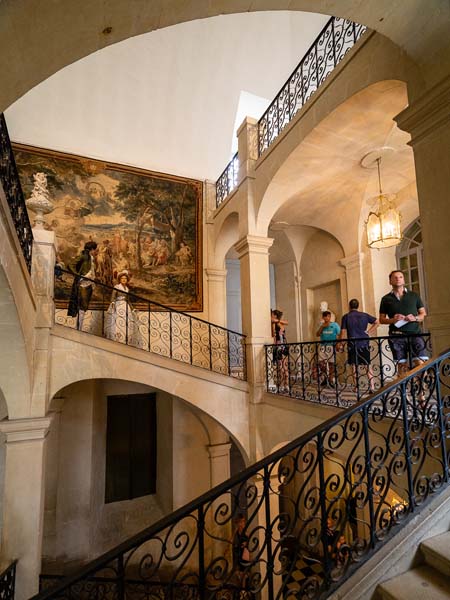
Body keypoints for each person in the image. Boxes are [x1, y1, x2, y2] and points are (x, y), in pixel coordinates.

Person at [379, 270, 427, 377]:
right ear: (390, 281)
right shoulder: (385, 299)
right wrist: (393, 320)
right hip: (396, 335)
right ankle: (404, 392)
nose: (398, 279)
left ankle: (421, 391)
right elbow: (381, 319)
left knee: (420, 363)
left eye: (400, 277)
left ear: (403, 280)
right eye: (395, 277)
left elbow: (423, 314)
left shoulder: (414, 296)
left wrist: (414, 318)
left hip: (415, 334)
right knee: (401, 365)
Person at [340, 299, 379, 393]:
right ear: (358, 306)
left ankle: (356, 387)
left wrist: (340, 343)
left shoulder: (346, 316)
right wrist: (369, 332)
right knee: (367, 365)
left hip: (352, 344)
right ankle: (372, 387)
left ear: (349, 306)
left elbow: (343, 331)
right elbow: (377, 321)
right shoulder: (364, 315)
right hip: (364, 343)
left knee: (354, 366)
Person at [67, 240, 98, 330]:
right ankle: (78, 328)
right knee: (82, 305)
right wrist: (79, 276)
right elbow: (70, 265)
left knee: (84, 306)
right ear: (92, 249)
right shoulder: (84, 256)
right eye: (94, 249)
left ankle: (79, 327)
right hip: (83, 284)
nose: (95, 251)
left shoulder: (90, 258)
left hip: (89, 284)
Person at [104, 270, 139, 346]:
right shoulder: (117, 287)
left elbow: (128, 300)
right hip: (118, 304)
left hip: (125, 305)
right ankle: (116, 337)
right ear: (120, 279)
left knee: (125, 321)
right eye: (122, 278)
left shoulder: (127, 289)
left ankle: (124, 338)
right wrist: (113, 302)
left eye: (125, 279)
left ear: (127, 280)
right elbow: (113, 296)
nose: (124, 280)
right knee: (117, 320)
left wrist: (133, 309)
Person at [316, 311, 340, 385]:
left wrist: (338, 344)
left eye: (328, 316)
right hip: (323, 346)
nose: (327, 318)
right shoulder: (321, 325)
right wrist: (322, 327)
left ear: (330, 317)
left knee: (331, 363)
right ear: (323, 317)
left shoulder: (335, 325)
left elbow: (339, 334)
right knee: (321, 363)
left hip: (332, 346)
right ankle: (325, 378)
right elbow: (317, 334)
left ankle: (330, 379)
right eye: (325, 316)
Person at [271, 309, 289, 391]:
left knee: (280, 366)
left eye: (272, 314)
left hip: (278, 345)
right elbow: (287, 322)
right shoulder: (281, 324)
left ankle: (282, 385)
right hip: (285, 345)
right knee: (285, 366)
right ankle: (286, 385)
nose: (271, 316)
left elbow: (273, 335)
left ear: (275, 315)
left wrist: (273, 347)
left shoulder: (274, 324)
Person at [232, 514, 250, 589]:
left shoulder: (246, 532)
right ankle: (239, 589)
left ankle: (243, 590)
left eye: (243, 522)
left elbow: (249, 541)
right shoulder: (236, 531)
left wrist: (246, 543)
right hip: (237, 553)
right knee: (237, 572)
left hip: (244, 554)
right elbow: (231, 540)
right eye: (240, 522)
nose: (242, 524)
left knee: (244, 573)